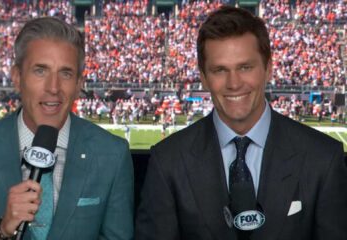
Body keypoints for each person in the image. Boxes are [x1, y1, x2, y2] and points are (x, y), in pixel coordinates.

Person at [135, 6, 347, 240]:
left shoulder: (323, 158)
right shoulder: (168, 161)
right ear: (204, 78)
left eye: (245, 67)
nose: (234, 83)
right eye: (219, 70)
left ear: (268, 68)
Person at [0, 17, 134, 239]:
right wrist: (1, 232)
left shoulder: (112, 155)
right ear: (17, 77)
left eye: (65, 73)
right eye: (40, 71)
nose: (53, 88)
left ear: (78, 84)